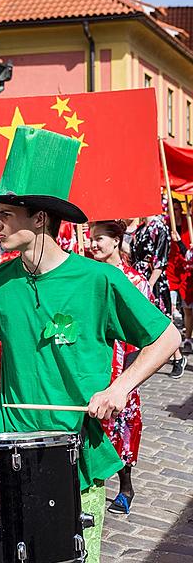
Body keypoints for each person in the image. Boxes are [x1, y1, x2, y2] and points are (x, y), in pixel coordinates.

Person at [0, 127, 181, 563]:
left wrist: (119, 389)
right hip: (12, 449)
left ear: (40, 220)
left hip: (78, 451)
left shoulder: (99, 280)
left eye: (6, 214)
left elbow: (167, 337)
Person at [90, 220, 152, 515]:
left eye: (100, 238)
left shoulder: (135, 282)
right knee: (93, 425)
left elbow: (148, 332)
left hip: (123, 366)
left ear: (117, 240)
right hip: (92, 365)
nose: (93, 244)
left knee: (123, 425)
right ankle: (92, 485)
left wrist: (128, 377)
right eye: (91, 238)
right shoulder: (88, 277)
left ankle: (126, 486)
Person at [131, 215, 185, 378]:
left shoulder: (160, 228)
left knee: (160, 321)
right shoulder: (140, 229)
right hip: (138, 277)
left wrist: (149, 285)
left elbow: (160, 261)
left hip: (154, 281)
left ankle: (178, 357)